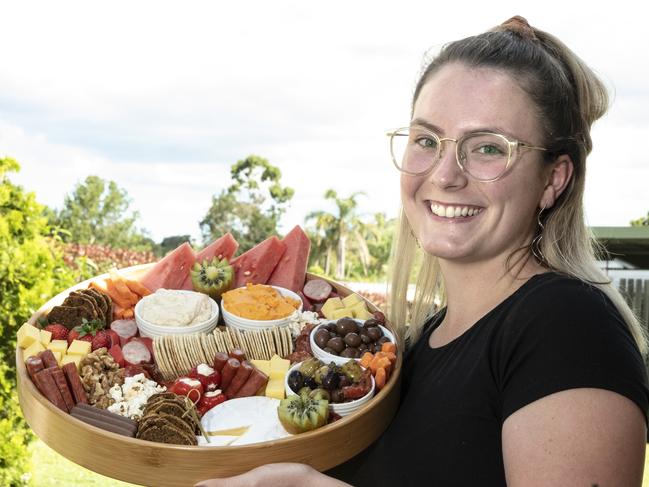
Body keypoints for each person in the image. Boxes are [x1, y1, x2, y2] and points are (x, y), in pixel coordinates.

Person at [196, 16, 649, 487]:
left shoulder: (565, 326)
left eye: (489, 148)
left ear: (553, 179)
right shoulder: (419, 343)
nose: (446, 175)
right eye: (427, 141)